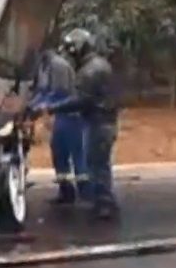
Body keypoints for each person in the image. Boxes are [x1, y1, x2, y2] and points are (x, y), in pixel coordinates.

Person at [30, 28, 120, 220]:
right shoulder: (99, 65)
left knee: (95, 164)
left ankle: (105, 204)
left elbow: (79, 100)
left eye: (72, 51)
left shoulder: (89, 71)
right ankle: (101, 202)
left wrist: (50, 108)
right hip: (104, 120)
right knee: (98, 163)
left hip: (97, 122)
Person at [29, 44, 87, 205]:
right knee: (59, 154)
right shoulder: (44, 66)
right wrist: (32, 105)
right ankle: (66, 191)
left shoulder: (58, 65)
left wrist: (40, 107)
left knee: (77, 155)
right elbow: (43, 91)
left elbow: (58, 93)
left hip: (70, 115)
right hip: (59, 116)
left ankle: (85, 192)